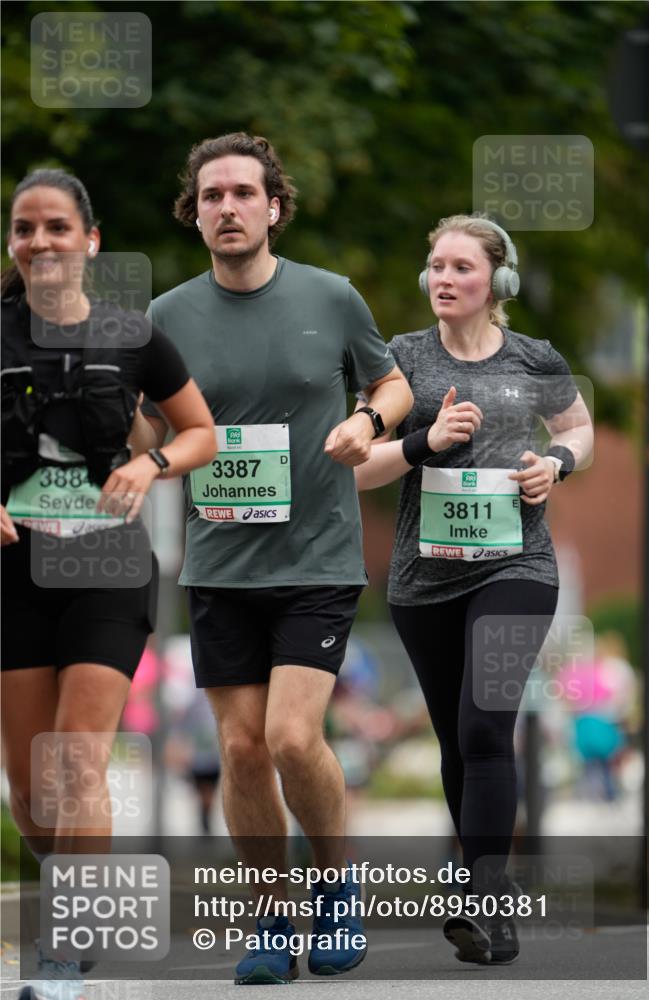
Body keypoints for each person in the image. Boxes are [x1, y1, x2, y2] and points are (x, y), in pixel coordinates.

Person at [141, 132, 413, 984]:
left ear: (273, 207)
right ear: (195, 214)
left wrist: (366, 424)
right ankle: (268, 915)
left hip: (317, 559)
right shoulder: (168, 317)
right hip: (219, 564)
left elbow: (393, 384)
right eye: (211, 196)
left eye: (242, 193)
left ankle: (333, 889)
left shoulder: (330, 298)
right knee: (243, 750)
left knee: (294, 739)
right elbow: (157, 425)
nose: (227, 207)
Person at [1, 168, 217, 1000]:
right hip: (14, 568)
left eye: (57, 227)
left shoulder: (132, 336)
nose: (41, 242)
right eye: (25, 229)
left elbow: (199, 431)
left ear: (89, 241)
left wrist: (150, 463)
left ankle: (62, 954)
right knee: (28, 790)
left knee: (75, 762)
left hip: (106, 566)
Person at [355, 214, 593, 965]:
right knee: (456, 743)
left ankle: (482, 902)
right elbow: (359, 467)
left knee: (486, 728)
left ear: (498, 280)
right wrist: (425, 441)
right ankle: (487, 897)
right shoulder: (399, 360)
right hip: (422, 581)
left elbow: (579, 427)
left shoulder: (533, 357)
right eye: (435, 266)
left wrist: (554, 462)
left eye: (460, 266)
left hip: (515, 568)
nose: (442, 280)